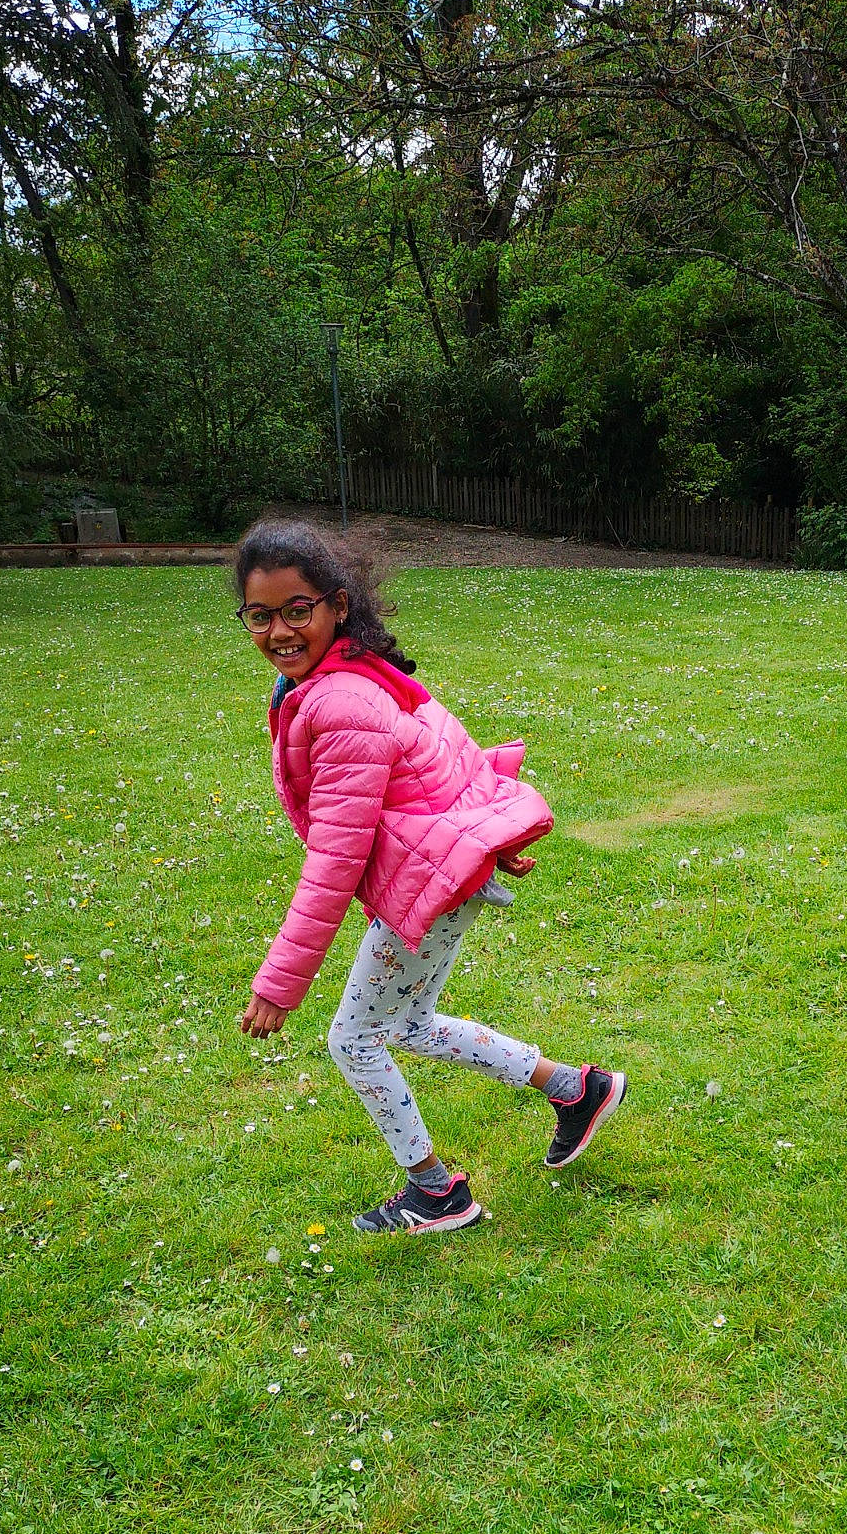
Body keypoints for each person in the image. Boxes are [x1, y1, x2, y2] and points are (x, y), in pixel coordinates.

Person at [234, 517, 626, 1233]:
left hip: (432, 886)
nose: (279, 631)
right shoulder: (354, 673)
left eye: (298, 610)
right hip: (442, 876)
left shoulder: (342, 699)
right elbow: (448, 758)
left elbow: (336, 857)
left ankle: (434, 1192)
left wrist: (279, 984)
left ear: (337, 605)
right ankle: (575, 1090)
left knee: (354, 1038)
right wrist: (487, 840)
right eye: (260, 616)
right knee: (407, 1024)